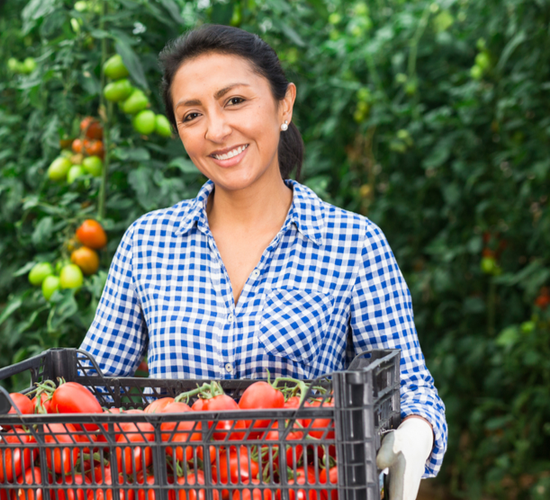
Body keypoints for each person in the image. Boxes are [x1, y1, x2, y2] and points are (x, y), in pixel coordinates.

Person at [79, 25, 447, 500]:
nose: (215, 129)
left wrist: (413, 434)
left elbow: (411, 388)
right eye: (192, 114)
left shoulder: (354, 244)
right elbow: (92, 386)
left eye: (234, 101)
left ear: (283, 105)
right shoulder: (149, 243)